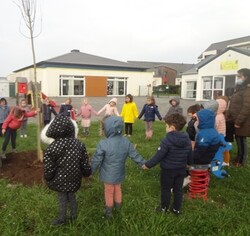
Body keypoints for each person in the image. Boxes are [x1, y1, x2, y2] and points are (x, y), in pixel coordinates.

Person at [91, 116, 146, 218]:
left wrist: (90, 171)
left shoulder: (103, 143)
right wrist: (144, 164)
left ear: (107, 128)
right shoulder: (126, 141)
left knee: (108, 190)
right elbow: (135, 155)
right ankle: (118, 206)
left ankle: (108, 210)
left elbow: (96, 160)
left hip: (107, 174)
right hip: (119, 172)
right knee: (118, 188)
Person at [42, 114, 91, 225]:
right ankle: (74, 216)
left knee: (62, 198)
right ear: (71, 129)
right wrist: (87, 172)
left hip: (59, 180)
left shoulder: (52, 147)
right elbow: (84, 161)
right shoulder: (79, 144)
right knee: (71, 195)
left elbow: (49, 167)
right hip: (74, 178)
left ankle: (61, 219)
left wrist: (48, 177)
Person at [142, 114, 192, 215]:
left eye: (166, 126)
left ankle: (164, 208)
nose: (165, 128)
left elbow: (158, 156)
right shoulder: (187, 139)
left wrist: (147, 165)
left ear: (172, 128)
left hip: (168, 170)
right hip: (181, 170)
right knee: (178, 190)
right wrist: (189, 164)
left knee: (166, 189)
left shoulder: (167, 140)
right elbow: (190, 153)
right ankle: (176, 209)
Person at [227, 68, 250, 166]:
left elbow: (246, 107)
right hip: (235, 120)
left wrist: (238, 122)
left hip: (242, 122)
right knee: (238, 140)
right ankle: (238, 159)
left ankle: (242, 161)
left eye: (239, 76)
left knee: (242, 140)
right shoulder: (239, 89)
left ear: (246, 77)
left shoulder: (247, 90)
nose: (237, 78)